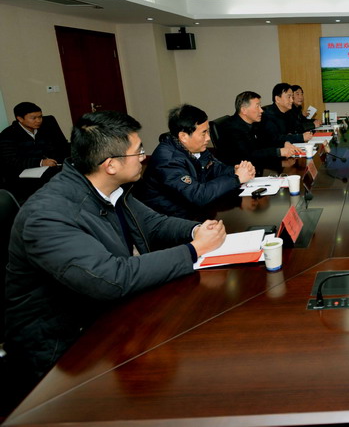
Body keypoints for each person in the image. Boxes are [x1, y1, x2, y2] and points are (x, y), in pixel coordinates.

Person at [4, 111, 227, 393]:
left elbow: (153, 223)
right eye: (139, 152)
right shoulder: (48, 215)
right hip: (62, 350)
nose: (144, 157)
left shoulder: (107, 188)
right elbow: (111, 279)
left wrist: (196, 231)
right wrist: (193, 251)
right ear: (110, 165)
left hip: (107, 316)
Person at [135, 104, 256, 219]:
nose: (208, 138)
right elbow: (198, 195)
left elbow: (216, 168)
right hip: (170, 220)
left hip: (193, 211)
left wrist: (237, 170)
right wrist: (236, 178)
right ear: (183, 136)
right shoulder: (168, 161)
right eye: (203, 133)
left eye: (208, 131)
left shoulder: (195, 147)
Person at [215, 91, 303, 170]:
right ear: (244, 110)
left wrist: (284, 144)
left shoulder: (254, 123)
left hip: (256, 167)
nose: (261, 110)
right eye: (257, 106)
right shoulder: (232, 129)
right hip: (238, 173)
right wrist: (278, 152)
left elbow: (265, 141)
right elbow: (249, 155)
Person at [0, 102, 70, 200]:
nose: (38, 121)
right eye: (33, 118)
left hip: (49, 169)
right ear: (20, 119)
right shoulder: (8, 135)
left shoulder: (46, 128)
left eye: (40, 117)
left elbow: (60, 147)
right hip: (23, 175)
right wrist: (40, 162)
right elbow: (11, 161)